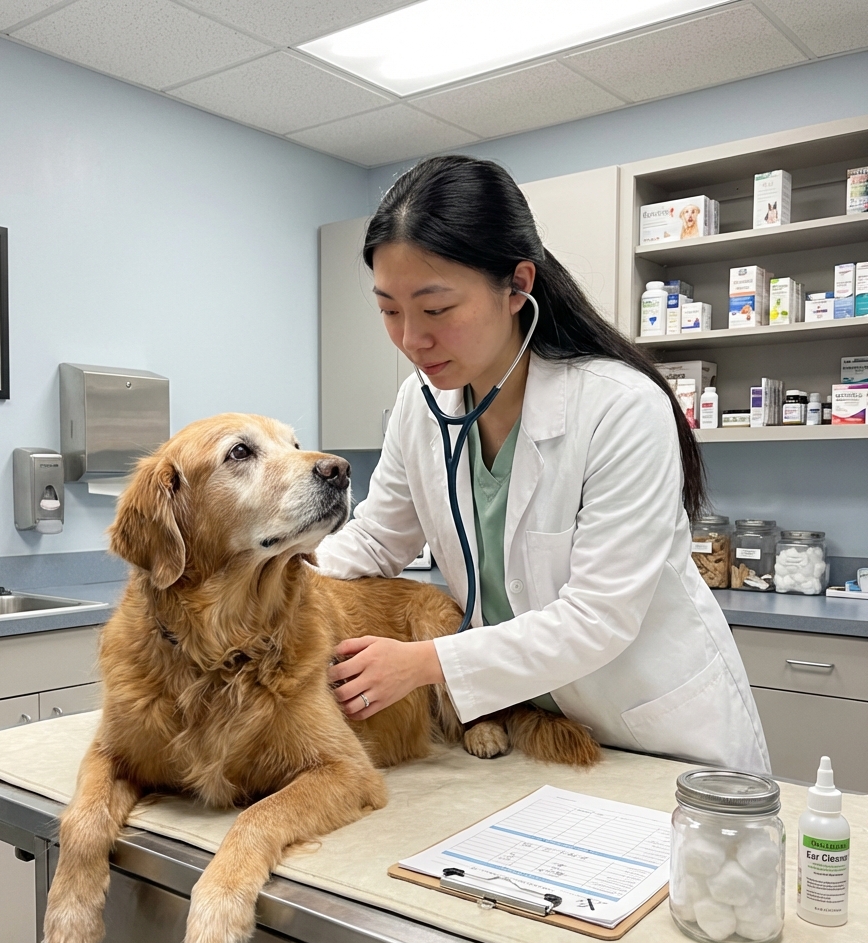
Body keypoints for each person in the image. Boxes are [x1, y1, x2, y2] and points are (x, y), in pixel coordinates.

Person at [318, 155, 770, 774]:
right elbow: (375, 539)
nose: (410, 340)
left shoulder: (620, 407)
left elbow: (597, 617)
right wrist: (260, 570)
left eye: (436, 308)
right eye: (389, 310)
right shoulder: (419, 406)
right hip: (528, 728)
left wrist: (424, 663)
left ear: (518, 286)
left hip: (654, 734)